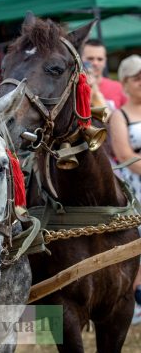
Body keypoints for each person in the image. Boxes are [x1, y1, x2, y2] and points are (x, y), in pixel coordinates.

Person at [109, 54, 141, 324]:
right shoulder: (119, 115)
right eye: (136, 78)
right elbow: (125, 155)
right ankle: (134, 303)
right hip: (136, 186)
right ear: (125, 83)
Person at [82, 39, 127, 110]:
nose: (95, 63)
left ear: (105, 61)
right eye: (90, 58)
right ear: (81, 59)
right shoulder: (73, 88)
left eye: (100, 59)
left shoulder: (118, 88)